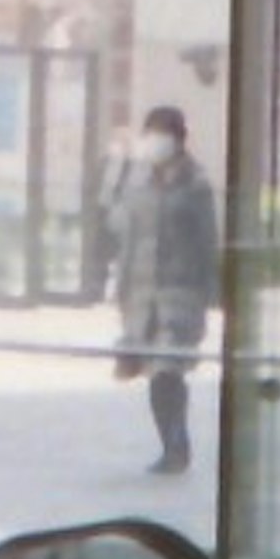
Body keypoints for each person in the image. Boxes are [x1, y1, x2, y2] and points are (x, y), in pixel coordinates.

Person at [103, 98, 218, 475]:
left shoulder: (195, 184)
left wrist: (210, 292)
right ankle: (169, 444)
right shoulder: (136, 179)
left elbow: (207, 240)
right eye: (150, 134)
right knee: (154, 374)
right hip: (141, 293)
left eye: (162, 134)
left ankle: (177, 444)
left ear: (178, 139)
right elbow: (122, 230)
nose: (155, 141)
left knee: (169, 368)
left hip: (180, 292)